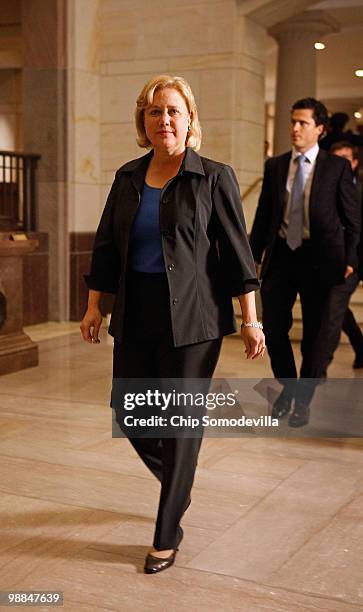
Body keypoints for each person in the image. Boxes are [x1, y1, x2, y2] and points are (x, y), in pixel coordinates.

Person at [80, 74, 264, 574]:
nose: (164, 120)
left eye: (173, 111)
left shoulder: (214, 176)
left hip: (194, 317)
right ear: (143, 121)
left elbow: (238, 253)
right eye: (154, 111)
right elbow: (105, 246)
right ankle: (179, 485)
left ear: (190, 119)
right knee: (131, 413)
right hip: (135, 311)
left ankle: (167, 533)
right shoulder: (127, 177)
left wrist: (251, 319)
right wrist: (96, 304)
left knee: (180, 426)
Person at [250, 98, 360, 427]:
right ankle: (290, 385)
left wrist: (350, 259)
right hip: (282, 256)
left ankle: (302, 399)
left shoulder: (336, 167)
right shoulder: (275, 166)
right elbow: (263, 217)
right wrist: (251, 258)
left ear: (320, 129)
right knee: (274, 328)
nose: (295, 128)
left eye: (303, 123)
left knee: (316, 335)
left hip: (321, 260)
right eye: (293, 122)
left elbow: (352, 219)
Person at [316, 141, 363, 373]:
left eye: (345, 158)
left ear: (354, 162)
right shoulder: (325, 187)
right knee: (337, 306)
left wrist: (351, 260)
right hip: (335, 259)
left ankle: (319, 368)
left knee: (334, 309)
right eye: (335, 158)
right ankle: (360, 346)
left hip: (353, 259)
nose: (339, 163)